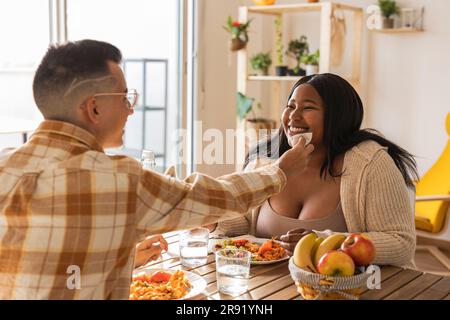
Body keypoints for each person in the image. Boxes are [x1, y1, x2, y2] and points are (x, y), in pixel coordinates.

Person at [0, 39, 313, 299]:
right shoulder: (117, 181)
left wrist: (123, 258)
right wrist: (280, 171)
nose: (131, 108)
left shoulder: (5, 165)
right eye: (125, 97)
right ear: (94, 107)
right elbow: (212, 196)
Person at [216, 73, 418, 268]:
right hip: (265, 290)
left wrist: (323, 243)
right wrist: (215, 223)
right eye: (290, 106)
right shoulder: (266, 160)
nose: (293, 116)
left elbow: (400, 243)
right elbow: (244, 219)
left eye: (308, 108)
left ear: (337, 117)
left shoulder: (370, 163)